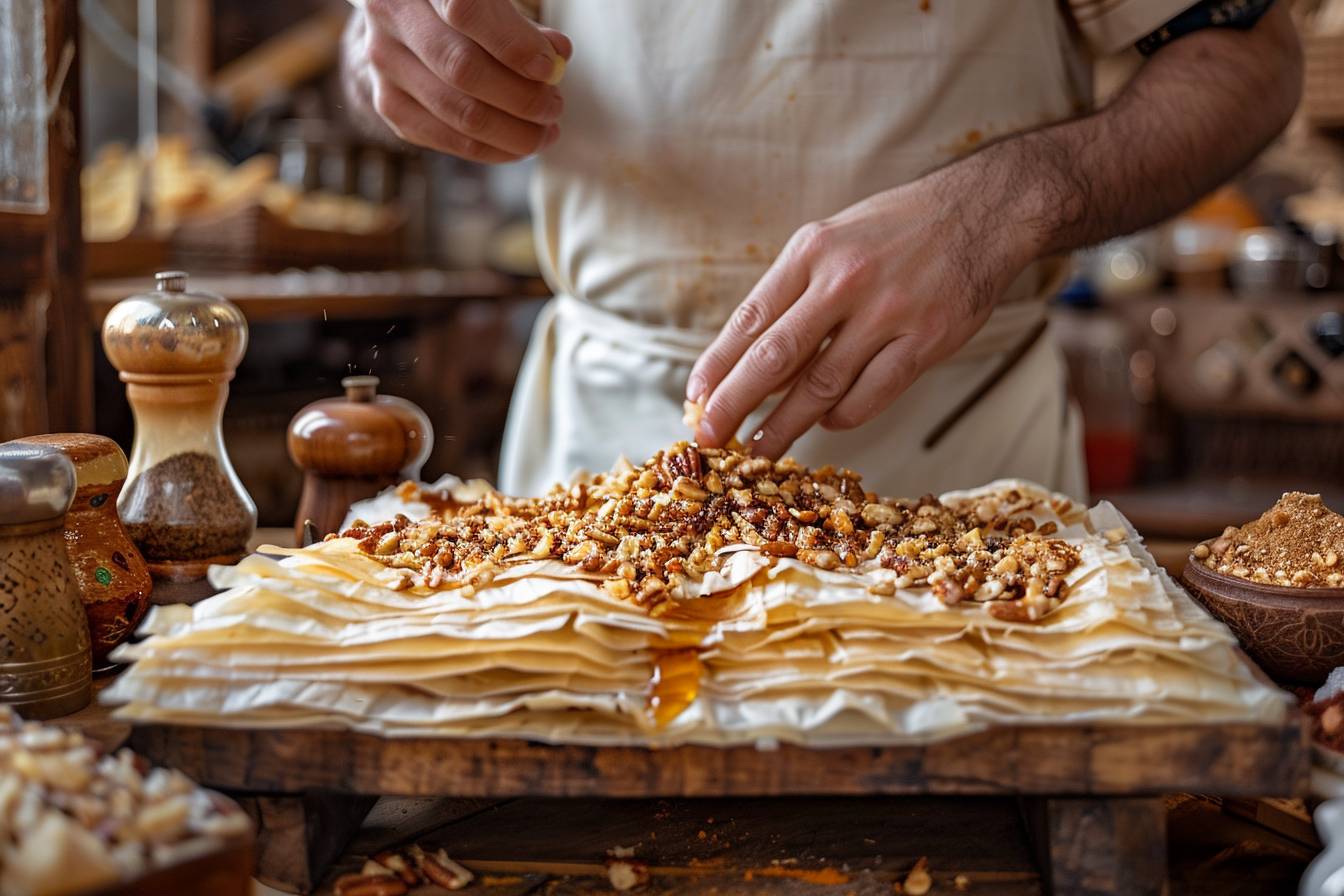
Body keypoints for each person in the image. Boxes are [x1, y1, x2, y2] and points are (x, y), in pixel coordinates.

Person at [342, 0, 1300, 499]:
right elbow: (380, 50)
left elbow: (1248, 59)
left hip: (955, 456)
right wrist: (383, 59)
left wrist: (998, 208)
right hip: (604, 441)